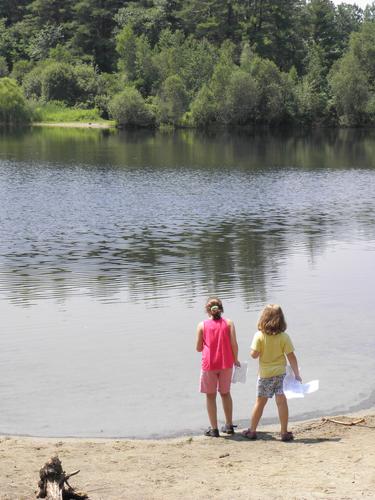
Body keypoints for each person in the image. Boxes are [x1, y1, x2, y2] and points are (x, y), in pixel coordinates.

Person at [242, 304, 301, 442]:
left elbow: (254, 355)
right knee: (281, 402)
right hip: (281, 375)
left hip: (265, 375)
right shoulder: (284, 337)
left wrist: (254, 350)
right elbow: (291, 356)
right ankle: (284, 432)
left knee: (260, 403)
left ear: (263, 318)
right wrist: (297, 374)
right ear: (281, 320)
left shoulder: (259, 335)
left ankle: (252, 430)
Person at [196, 297, 240, 437]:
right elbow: (234, 344)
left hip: (209, 364)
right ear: (221, 309)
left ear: (207, 310)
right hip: (226, 363)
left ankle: (214, 429)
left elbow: (198, 348)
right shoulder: (229, 323)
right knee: (225, 394)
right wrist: (236, 359)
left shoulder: (201, 325)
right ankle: (228, 426)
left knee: (210, 396)